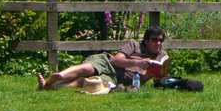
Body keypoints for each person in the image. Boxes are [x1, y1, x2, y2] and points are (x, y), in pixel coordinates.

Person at [37, 25, 168, 90]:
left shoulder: (162, 56)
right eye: (154, 40)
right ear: (146, 40)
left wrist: (155, 77)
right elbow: (115, 60)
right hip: (107, 62)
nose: (158, 43)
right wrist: (138, 62)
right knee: (87, 69)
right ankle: (58, 76)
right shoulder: (134, 45)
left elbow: (156, 79)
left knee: (89, 82)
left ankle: (52, 87)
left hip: (115, 78)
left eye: (160, 40)